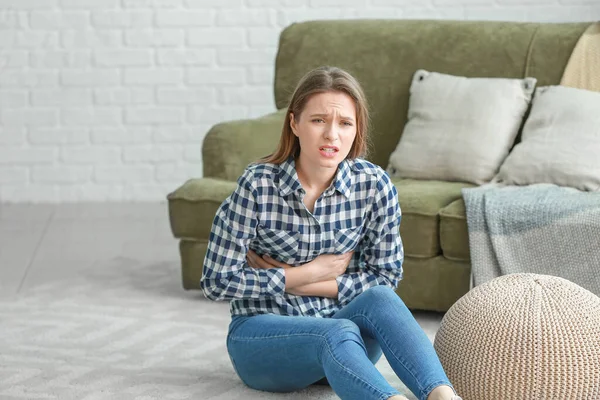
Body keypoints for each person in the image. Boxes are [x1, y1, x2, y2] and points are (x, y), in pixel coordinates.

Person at [201, 66, 462, 400]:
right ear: (294, 123)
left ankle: (443, 396)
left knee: (379, 300)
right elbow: (216, 281)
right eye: (318, 120)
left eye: (345, 123)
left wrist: (298, 278)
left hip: (346, 341)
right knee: (336, 331)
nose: (332, 135)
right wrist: (302, 274)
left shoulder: (374, 185)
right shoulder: (257, 185)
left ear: (357, 130)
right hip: (261, 337)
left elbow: (385, 276)